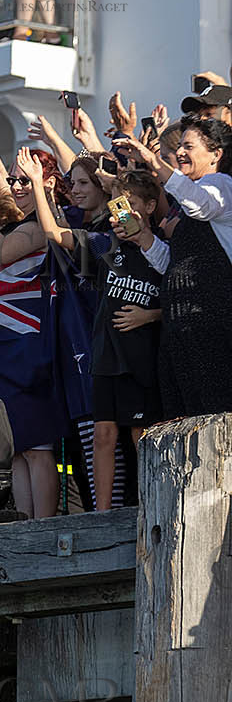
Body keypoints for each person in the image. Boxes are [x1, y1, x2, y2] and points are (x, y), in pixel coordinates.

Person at [23, 156, 163, 509]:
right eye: (119, 206)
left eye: (131, 205)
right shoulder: (104, 244)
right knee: (103, 435)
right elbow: (55, 234)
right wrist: (38, 183)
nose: (122, 214)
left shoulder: (161, 246)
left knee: (140, 436)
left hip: (141, 358)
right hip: (105, 357)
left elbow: (174, 292)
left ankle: (153, 501)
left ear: (149, 206)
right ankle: (101, 515)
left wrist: (149, 315)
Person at [0, 149, 64, 517]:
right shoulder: (9, 225)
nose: (16, 186)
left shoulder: (43, 222)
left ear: (45, 182)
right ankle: (25, 524)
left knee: (38, 447)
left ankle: (44, 524)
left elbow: (5, 254)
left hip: (24, 344)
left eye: (24, 180)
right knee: (18, 447)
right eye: (12, 179)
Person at [114, 119, 232, 420]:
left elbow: (200, 204)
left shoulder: (220, 186)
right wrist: (142, 236)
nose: (180, 152)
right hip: (181, 326)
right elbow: (173, 263)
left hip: (210, 318)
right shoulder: (188, 200)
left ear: (215, 155)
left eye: (188, 147)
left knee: (214, 411)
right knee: (185, 413)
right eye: (179, 147)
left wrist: (153, 161)